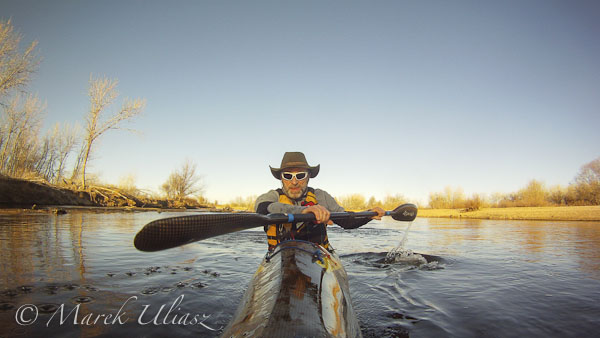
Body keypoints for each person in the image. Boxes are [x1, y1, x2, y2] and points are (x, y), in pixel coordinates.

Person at [254, 152, 385, 251]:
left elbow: (346, 221)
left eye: (300, 175)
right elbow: (262, 209)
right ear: (281, 179)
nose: (294, 182)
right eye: (288, 176)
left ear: (308, 177)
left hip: (318, 255)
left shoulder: (321, 196)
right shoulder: (271, 196)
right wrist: (303, 211)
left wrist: (369, 214)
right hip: (280, 256)